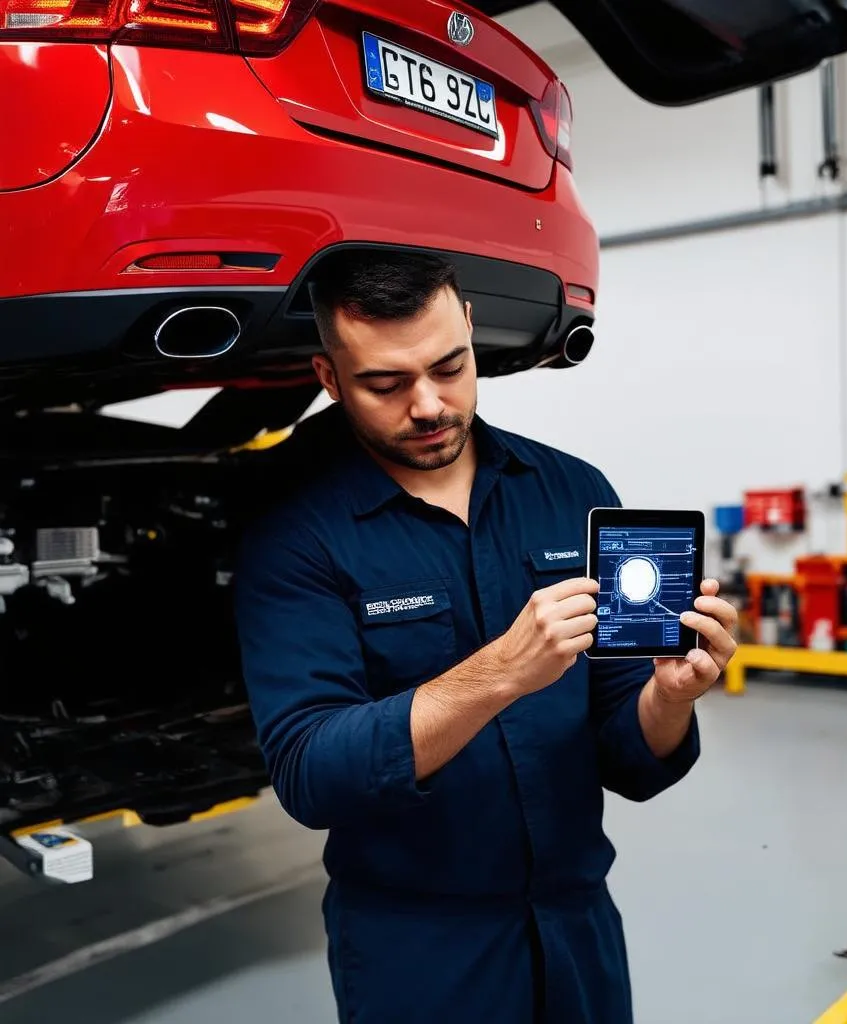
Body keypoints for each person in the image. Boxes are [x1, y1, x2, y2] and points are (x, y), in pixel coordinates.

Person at [232, 249, 738, 1024]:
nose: (429, 404)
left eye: (450, 365)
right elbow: (310, 771)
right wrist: (498, 673)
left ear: (470, 328)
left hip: (578, 925)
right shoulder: (295, 529)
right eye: (385, 383)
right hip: (420, 952)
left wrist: (669, 697)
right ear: (330, 378)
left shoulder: (570, 490)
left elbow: (626, 755)